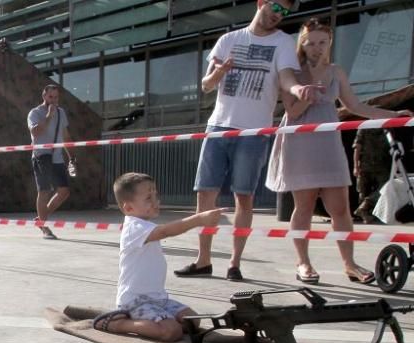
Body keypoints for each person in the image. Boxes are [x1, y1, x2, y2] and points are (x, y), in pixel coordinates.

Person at [175, 0, 321, 282]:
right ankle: (203, 260)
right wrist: (219, 73)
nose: (279, 15)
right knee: (205, 194)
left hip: (254, 131)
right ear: (261, 3)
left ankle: (234, 263)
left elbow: (286, 78)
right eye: (276, 7)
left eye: (285, 12)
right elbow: (206, 85)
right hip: (218, 126)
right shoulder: (229, 39)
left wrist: (300, 89)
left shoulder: (283, 42)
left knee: (244, 196)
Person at [265, 18, 413, 285]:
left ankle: (350, 263)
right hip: (301, 143)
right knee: (304, 206)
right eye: (311, 43)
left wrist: (393, 114)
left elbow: (357, 106)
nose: (316, 48)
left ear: (330, 43)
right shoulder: (292, 71)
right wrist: (306, 92)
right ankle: (303, 263)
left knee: (341, 208)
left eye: (322, 42)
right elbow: (292, 112)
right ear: (303, 43)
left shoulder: (336, 71)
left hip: (329, 143)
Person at [93, 173, 224, 341]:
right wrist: (198, 219)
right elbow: (165, 231)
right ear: (128, 208)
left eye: (156, 195)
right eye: (148, 198)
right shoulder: (134, 227)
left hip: (158, 297)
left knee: (193, 321)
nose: (156, 201)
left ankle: (155, 320)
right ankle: (118, 324)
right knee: (171, 332)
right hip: (135, 301)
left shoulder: (145, 225)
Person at [28, 84, 76, 240]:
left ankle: (41, 219)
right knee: (44, 191)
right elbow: (35, 132)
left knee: (64, 191)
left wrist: (72, 157)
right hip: (41, 155)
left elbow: (66, 136)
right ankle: (44, 228)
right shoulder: (35, 113)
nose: (54, 100)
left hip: (57, 157)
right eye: (50, 97)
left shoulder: (61, 113)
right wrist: (48, 116)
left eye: (56, 97)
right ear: (44, 96)